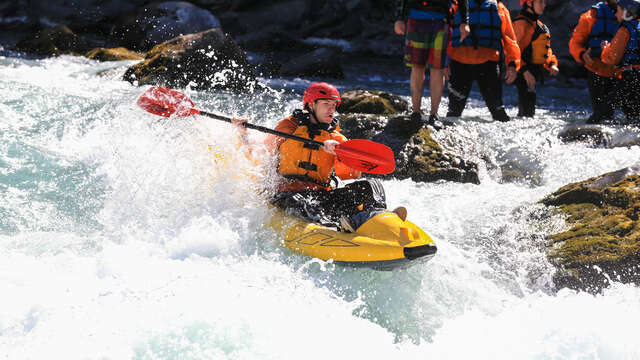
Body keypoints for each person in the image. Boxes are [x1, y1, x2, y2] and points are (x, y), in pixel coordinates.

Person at [232, 82, 394, 232]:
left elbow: (351, 175)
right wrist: (242, 133)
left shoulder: (337, 139)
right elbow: (257, 156)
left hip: (321, 196)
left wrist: (338, 155)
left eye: (333, 106)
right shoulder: (287, 128)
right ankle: (334, 228)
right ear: (311, 105)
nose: (331, 110)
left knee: (371, 185)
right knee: (299, 201)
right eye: (326, 104)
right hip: (287, 196)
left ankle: (375, 217)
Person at [394, 0, 470, 129]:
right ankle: (416, 112)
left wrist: (465, 21)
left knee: (438, 68)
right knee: (417, 67)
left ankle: (434, 114)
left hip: (441, 21)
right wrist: (399, 19)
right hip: (416, 19)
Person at [446, 0, 521, 122]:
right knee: (453, 113)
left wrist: (512, 64)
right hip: (460, 63)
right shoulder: (456, 5)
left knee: (498, 113)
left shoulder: (499, 8)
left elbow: (510, 39)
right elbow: (448, 33)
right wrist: (445, 62)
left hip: (488, 65)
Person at [569, 0, 618, 124]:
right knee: (602, 113)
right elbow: (575, 43)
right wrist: (582, 54)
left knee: (625, 112)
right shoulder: (591, 15)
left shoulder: (630, 14)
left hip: (619, 73)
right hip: (596, 69)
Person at [513, 0, 560, 117]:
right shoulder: (520, 23)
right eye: (540, 2)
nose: (544, 5)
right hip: (523, 71)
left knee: (529, 111)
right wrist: (525, 72)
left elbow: (546, 50)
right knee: (526, 112)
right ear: (529, 3)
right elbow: (514, 51)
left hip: (534, 71)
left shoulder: (540, 26)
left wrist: (551, 64)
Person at [601, 0, 640, 122]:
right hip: (636, 77)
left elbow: (612, 58)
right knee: (634, 115)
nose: (616, 14)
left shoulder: (624, 30)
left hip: (630, 77)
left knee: (604, 110)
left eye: (618, 11)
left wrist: (605, 49)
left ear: (627, 13)